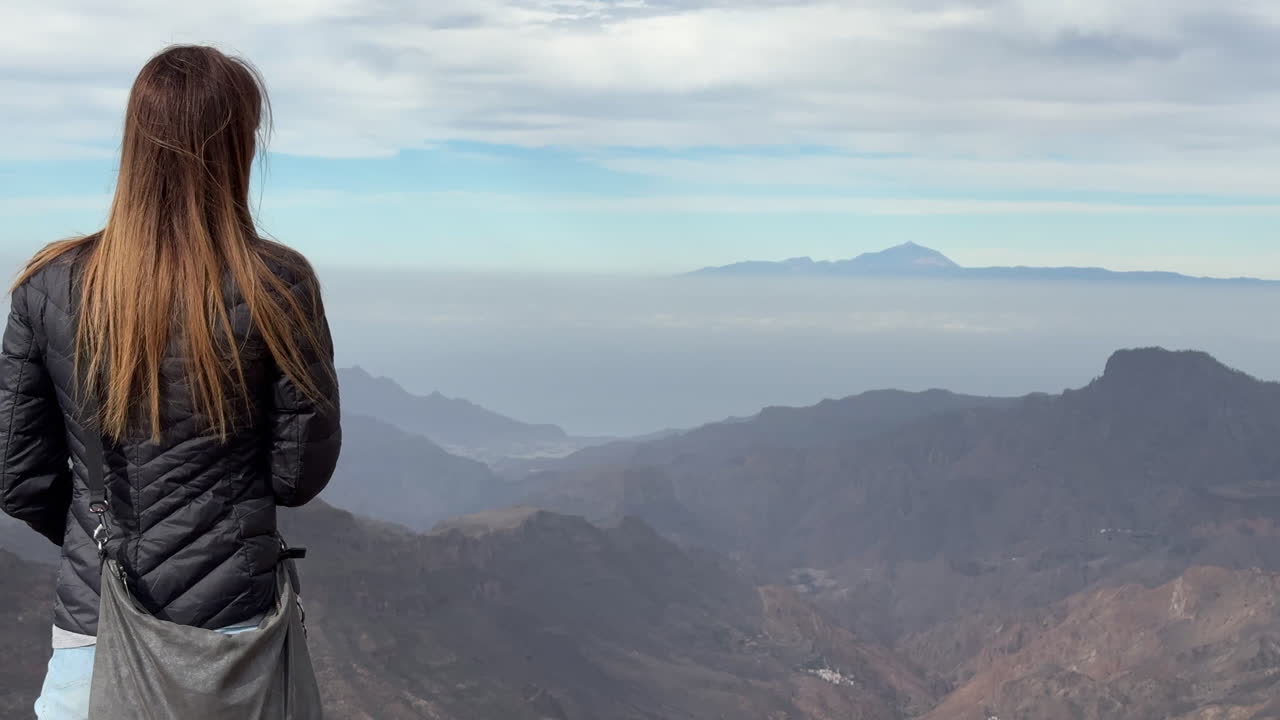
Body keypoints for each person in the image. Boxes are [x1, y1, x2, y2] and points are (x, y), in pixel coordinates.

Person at [0, 45, 342, 719]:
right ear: (236, 147)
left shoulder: (49, 286)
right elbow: (297, 473)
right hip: (233, 637)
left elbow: (17, 474)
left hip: (95, 624)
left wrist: (93, 525)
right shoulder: (277, 287)